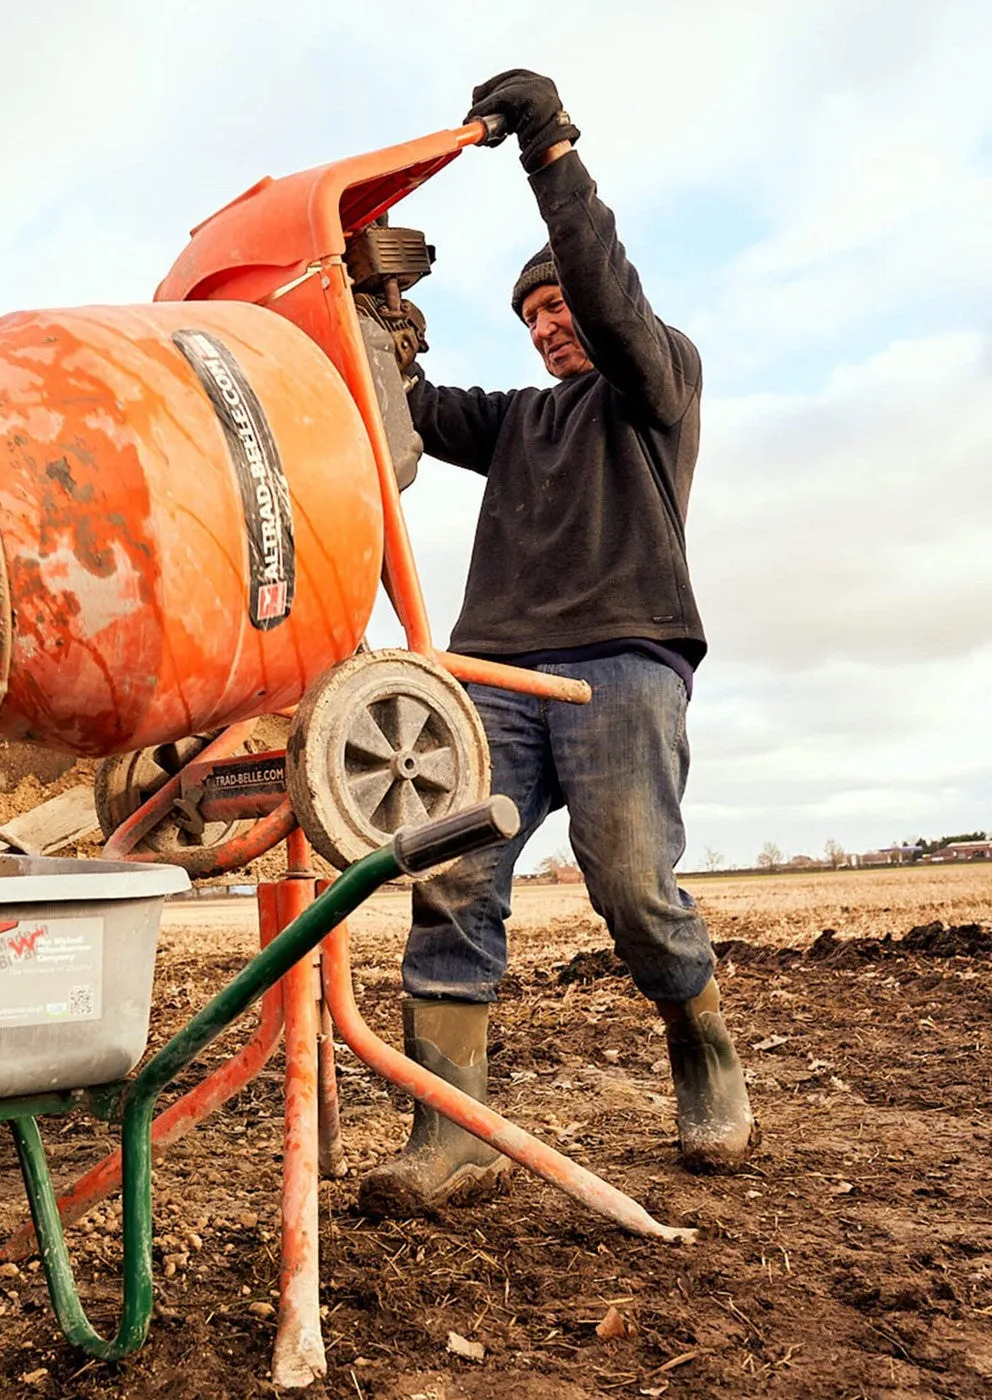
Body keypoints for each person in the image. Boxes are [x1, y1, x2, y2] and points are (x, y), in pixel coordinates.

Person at [359, 69, 755, 1219]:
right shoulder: (521, 420)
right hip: (493, 678)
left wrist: (549, 157)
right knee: (451, 879)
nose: (545, 328)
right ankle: (451, 1128)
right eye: (529, 320)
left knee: (629, 882)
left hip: (623, 666)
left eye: (555, 308)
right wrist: (377, 326)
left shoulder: (654, 379)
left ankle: (703, 1049)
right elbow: (419, 410)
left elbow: (601, 286)